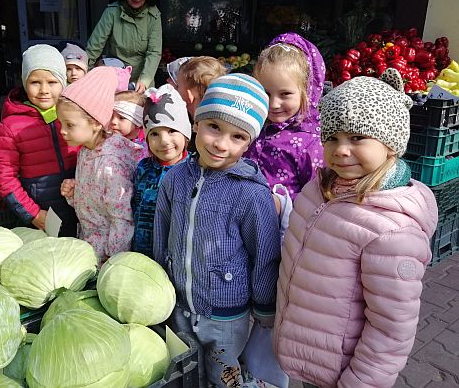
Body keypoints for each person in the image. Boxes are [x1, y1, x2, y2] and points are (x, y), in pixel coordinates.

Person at [273, 69, 438, 388]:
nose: (341, 150)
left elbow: (392, 328)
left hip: (345, 374)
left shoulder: (392, 231)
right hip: (311, 356)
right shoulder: (318, 190)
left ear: (391, 144)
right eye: (332, 138)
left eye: (357, 137)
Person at [154, 74, 281, 388]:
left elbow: (265, 255)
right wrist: (158, 283)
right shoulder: (174, 178)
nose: (222, 144)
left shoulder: (251, 194)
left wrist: (264, 306)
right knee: (184, 368)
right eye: (214, 127)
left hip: (226, 314)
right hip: (179, 303)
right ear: (197, 122)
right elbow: (161, 232)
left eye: (238, 137)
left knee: (224, 374)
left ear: (249, 142)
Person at [57, 67, 143, 262]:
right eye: (61, 123)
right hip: (90, 243)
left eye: (70, 125)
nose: (62, 131)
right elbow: (96, 198)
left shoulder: (111, 164)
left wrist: (113, 258)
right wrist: (74, 193)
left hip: (105, 254)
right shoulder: (87, 150)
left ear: (96, 122)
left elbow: (122, 219)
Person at [0, 44, 79, 234]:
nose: (44, 90)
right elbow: (4, 177)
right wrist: (33, 214)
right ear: (24, 83)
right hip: (43, 216)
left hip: (81, 209)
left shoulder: (76, 115)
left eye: (52, 82)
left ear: (63, 82)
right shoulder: (11, 126)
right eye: (35, 82)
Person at [243, 33, 325, 202]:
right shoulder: (252, 125)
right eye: (265, 93)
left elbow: (317, 200)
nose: (273, 104)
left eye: (285, 94)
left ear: (307, 91)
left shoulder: (310, 143)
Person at [131, 84, 191, 257]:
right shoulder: (143, 168)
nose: (164, 141)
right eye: (154, 134)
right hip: (142, 250)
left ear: (186, 134)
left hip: (174, 254)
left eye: (172, 131)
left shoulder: (193, 170)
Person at [86, 0, 161, 93]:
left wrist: (145, 80)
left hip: (142, 80)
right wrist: (83, 71)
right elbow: (94, 46)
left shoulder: (154, 15)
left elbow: (154, 52)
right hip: (115, 77)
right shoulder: (112, 12)